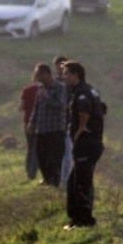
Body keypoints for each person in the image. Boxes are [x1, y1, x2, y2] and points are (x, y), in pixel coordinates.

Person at [62, 60, 105, 229]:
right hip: (92, 143)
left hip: (86, 144)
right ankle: (76, 219)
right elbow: (102, 108)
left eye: (66, 74)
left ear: (75, 75)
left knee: (81, 183)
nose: (63, 77)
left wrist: (81, 128)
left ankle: (85, 221)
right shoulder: (90, 90)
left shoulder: (81, 93)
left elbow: (84, 108)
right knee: (74, 181)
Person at [28, 63, 67, 187]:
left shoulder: (59, 88)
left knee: (54, 157)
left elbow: (61, 106)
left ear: (46, 74)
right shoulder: (40, 89)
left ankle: (54, 182)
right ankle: (47, 180)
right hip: (42, 129)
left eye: (38, 75)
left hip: (55, 129)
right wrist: (31, 123)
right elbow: (36, 107)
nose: (36, 78)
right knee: (41, 155)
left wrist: (46, 96)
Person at [53, 55, 73, 187]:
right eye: (58, 67)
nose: (60, 70)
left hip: (68, 123)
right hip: (56, 123)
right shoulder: (54, 84)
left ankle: (64, 180)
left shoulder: (71, 85)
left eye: (62, 67)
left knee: (67, 152)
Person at [18, 78, 40, 181]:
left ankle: (28, 172)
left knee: (30, 148)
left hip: (27, 123)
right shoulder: (44, 90)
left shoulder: (26, 90)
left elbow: (20, 107)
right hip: (40, 123)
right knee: (38, 148)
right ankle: (32, 173)